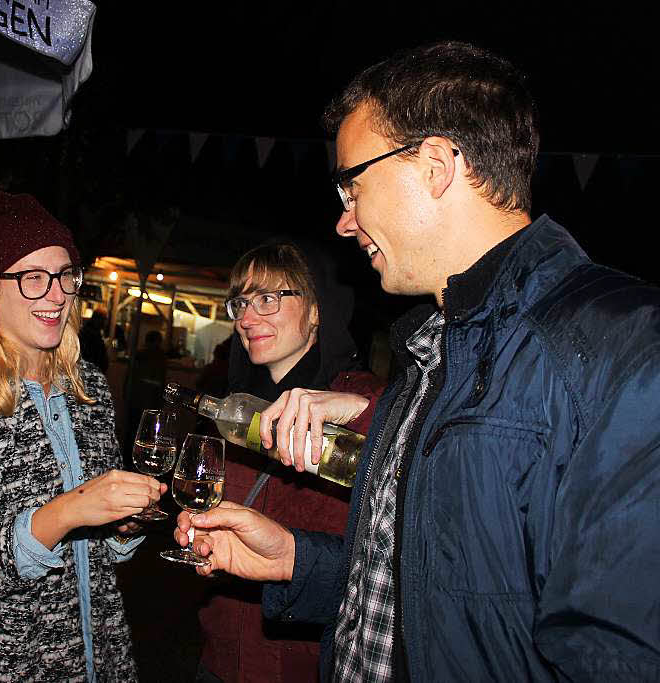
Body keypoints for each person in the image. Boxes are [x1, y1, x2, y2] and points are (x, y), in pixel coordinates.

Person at [176, 41, 660, 681]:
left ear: (435, 165)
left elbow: (615, 655)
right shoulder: (431, 355)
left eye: (353, 184)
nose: (345, 222)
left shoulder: (618, 342)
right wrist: (295, 559)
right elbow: (408, 595)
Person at [0, 190, 161, 681]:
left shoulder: (89, 390)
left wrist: (124, 526)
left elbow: (99, 554)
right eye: (33, 278)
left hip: (95, 658)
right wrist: (64, 513)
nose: (57, 294)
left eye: (65, 276)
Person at [195, 242, 384, 683]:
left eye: (268, 298)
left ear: (316, 311)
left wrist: (360, 411)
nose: (246, 317)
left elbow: (406, 468)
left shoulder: (359, 403)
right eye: (241, 302)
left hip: (307, 664)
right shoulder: (232, 410)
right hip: (221, 658)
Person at [79, 308, 110, 373]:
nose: (105, 322)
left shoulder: (94, 332)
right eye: (104, 319)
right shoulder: (90, 334)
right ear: (98, 319)